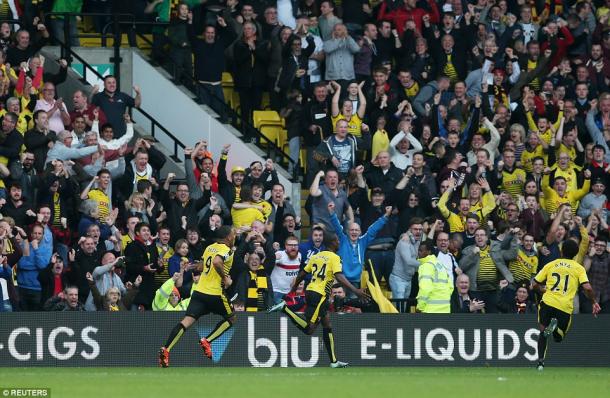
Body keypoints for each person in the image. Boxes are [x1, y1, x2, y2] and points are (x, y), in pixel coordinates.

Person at [268, 233, 369, 368]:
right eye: (338, 240)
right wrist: (355, 290)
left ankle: (334, 361)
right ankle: (284, 308)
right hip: (320, 295)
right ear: (332, 242)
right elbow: (338, 276)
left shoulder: (316, 257)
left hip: (311, 291)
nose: (339, 242)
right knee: (309, 329)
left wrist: (294, 288)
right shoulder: (335, 258)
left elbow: (303, 272)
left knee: (327, 324)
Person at [159, 226, 236, 368]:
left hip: (199, 292)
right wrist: (225, 278)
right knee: (231, 318)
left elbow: (201, 267)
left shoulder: (209, 248)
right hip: (215, 294)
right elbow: (217, 262)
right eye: (234, 234)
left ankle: (166, 349)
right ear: (228, 237)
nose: (235, 237)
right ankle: (207, 340)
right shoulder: (228, 250)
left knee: (186, 322)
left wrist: (189, 267)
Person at [532, 240, 601, 370]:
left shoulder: (551, 264)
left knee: (542, 333)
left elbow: (534, 284)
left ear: (561, 251)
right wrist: (594, 302)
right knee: (559, 338)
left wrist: (542, 290)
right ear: (575, 254)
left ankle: (540, 363)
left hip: (547, 302)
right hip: (564, 306)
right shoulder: (578, 268)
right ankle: (556, 327)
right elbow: (587, 287)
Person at [416, 240, 453, 313]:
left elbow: (425, 288)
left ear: (428, 252)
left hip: (430, 310)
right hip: (445, 309)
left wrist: (420, 307)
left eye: (420, 250)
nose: (418, 252)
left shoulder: (426, 266)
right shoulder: (440, 265)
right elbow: (451, 286)